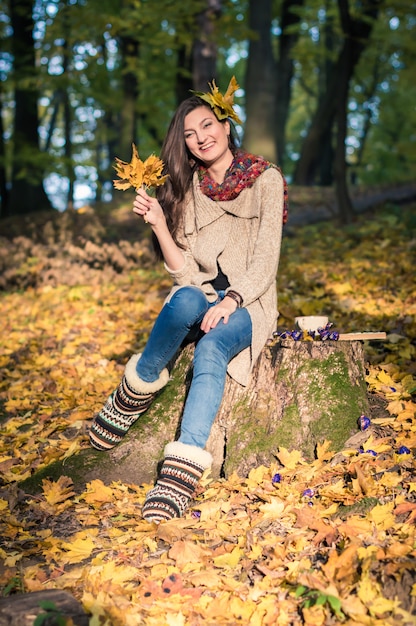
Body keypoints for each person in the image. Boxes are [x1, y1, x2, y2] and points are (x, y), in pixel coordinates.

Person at [89, 77, 288, 523]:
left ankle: (182, 468)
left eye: (206, 126)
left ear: (225, 122)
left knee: (213, 345)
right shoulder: (190, 189)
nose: (201, 139)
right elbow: (184, 274)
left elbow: (265, 262)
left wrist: (231, 300)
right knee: (181, 301)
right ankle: (134, 389)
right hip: (203, 296)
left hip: (249, 303)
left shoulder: (266, 179)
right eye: (190, 135)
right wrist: (160, 223)